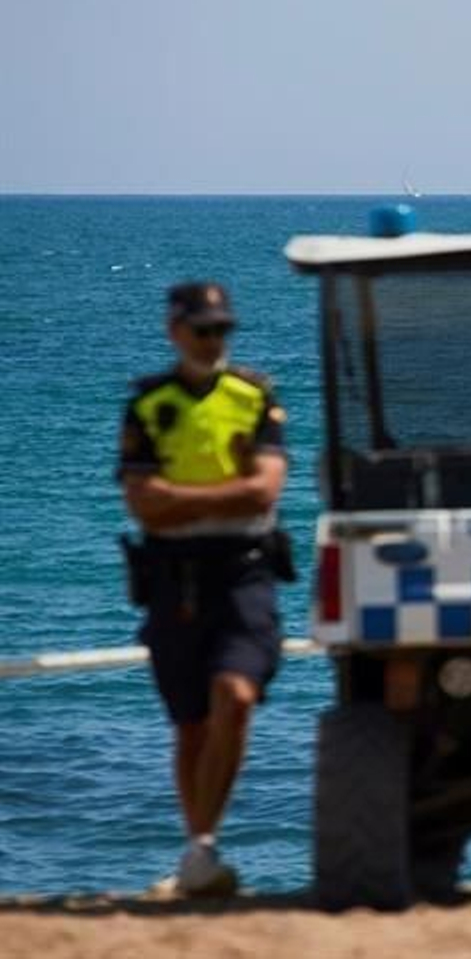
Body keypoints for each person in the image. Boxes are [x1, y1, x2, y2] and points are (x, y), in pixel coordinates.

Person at [116, 281, 290, 896]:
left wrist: (178, 500)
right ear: (175, 332)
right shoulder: (149, 405)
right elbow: (143, 507)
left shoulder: (253, 397)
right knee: (191, 724)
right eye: (203, 330)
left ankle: (202, 848)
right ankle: (201, 853)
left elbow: (264, 491)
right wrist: (220, 495)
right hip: (174, 579)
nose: (215, 341)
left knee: (236, 695)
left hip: (244, 573)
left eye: (223, 330)